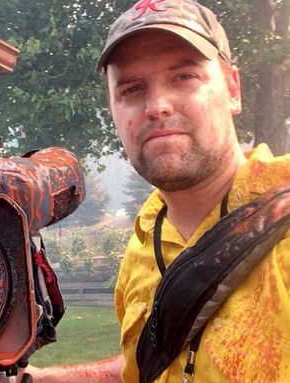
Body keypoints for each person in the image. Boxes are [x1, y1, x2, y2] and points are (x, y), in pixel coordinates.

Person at [24, 0, 290, 382]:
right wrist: (42, 379)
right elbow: (152, 366)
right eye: (132, 88)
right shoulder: (143, 244)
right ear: (114, 110)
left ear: (233, 89)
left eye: (183, 77)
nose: (157, 106)